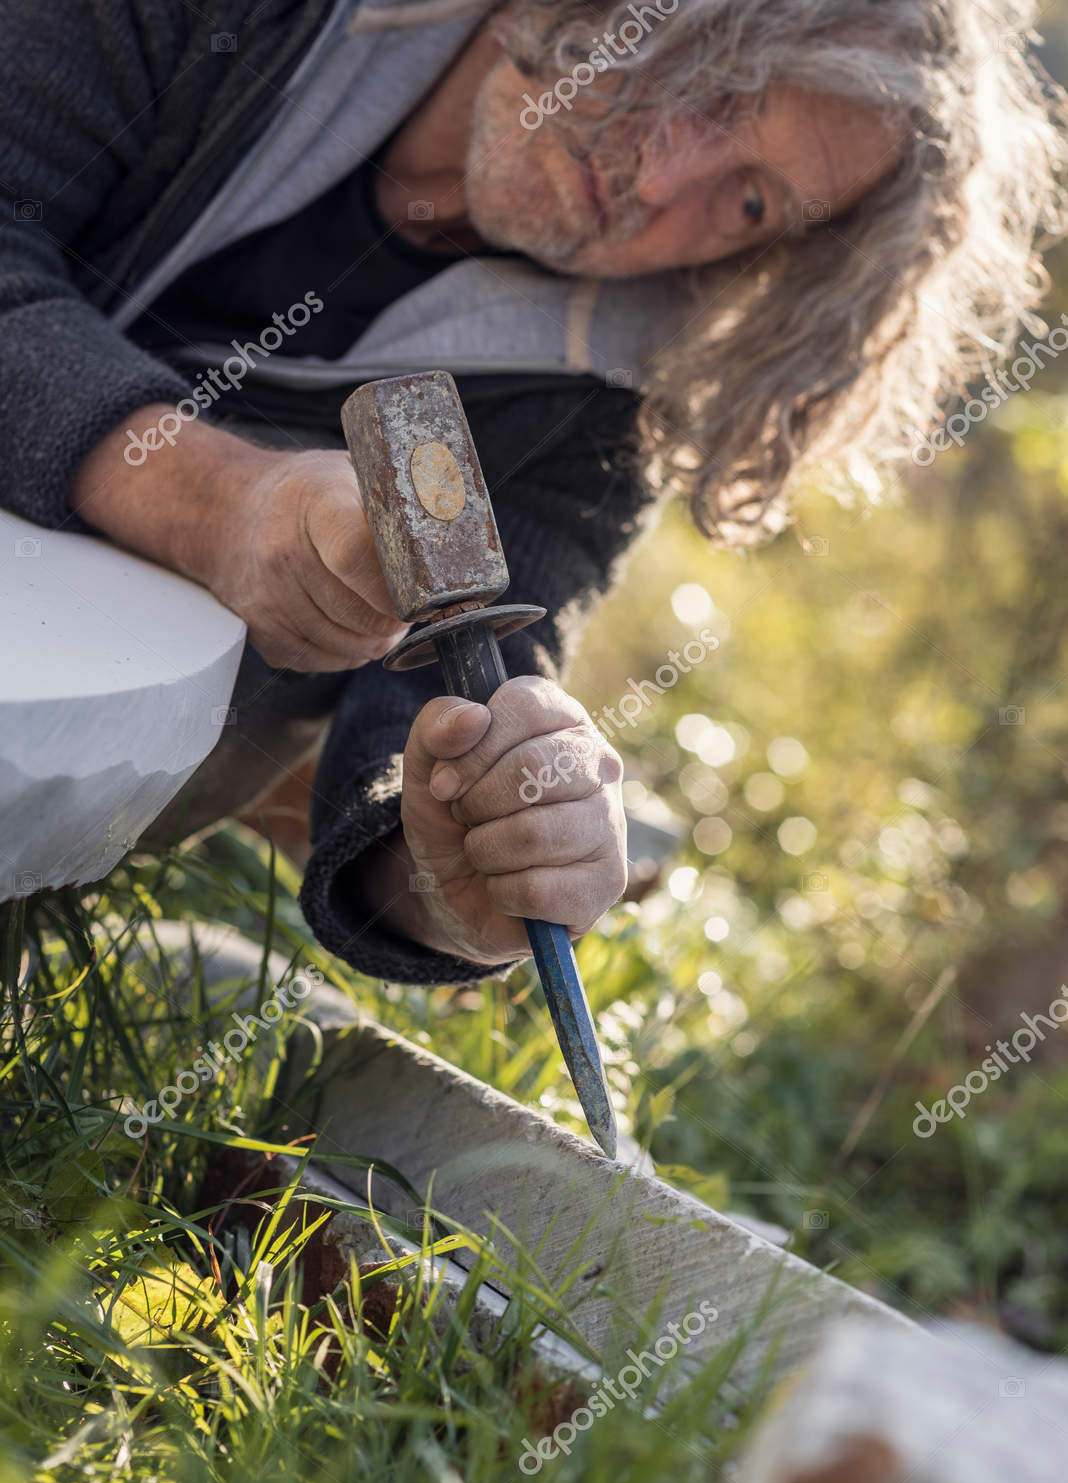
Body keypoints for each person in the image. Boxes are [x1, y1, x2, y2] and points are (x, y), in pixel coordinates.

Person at [1, 0, 1063, 984]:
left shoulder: (604, 395)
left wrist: (472, 873)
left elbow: (442, 711)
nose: (661, 182)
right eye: (709, 82)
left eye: (750, 200)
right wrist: (214, 502)